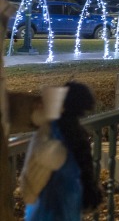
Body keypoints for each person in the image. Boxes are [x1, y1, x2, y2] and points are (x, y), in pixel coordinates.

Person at [20, 82, 102, 220]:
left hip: (47, 210)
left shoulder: (49, 142)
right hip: (70, 206)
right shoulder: (77, 137)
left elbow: (31, 187)